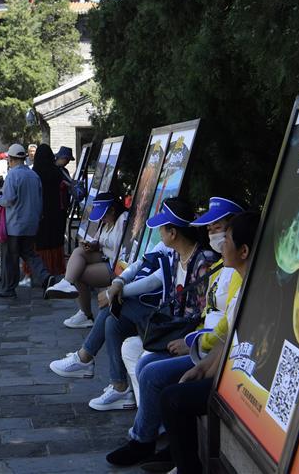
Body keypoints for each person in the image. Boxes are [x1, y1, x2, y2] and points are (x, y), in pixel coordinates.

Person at [107, 201, 251, 468]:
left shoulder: (218, 266)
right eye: (209, 228)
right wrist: (118, 283)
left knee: (151, 372)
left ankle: (145, 440)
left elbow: (225, 326)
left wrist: (192, 342)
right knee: (136, 352)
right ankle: (152, 435)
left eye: (220, 230)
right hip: (199, 341)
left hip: (205, 345)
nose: (213, 235)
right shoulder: (217, 264)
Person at [49, 198, 212, 411]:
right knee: (112, 323)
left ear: (173, 233)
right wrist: (117, 283)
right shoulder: (175, 253)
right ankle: (118, 386)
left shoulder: (202, 262)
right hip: (170, 319)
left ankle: (86, 359)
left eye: (162, 228)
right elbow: (147, 269)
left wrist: (115, 292)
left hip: (181, 328)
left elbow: (202, 311)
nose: (159, 233)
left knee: (114, 306)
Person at [158, 211, 262, 474]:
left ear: (244, 250)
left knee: (172, 397)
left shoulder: (258, 290)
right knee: (173, 391)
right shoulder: (239, 282)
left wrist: (210, 373)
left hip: (245, 385)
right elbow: (228, 337)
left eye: (225, 239)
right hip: (220, 366)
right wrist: (202, 368)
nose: (219, 245)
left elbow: (239, 345)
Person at [45, 192, 129, 328]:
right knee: (79, 251)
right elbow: (102, 241)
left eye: (104, 215)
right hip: (105, 256)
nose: (102, 219)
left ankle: (85, 314)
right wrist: (93, 245)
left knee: (80, 275)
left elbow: (121, 245)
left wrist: (99, 246)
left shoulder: (123, 220)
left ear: (113, 210)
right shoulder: (105, 224)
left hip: (117, 263)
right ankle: (67, 282)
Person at [0, 143, 51, 298]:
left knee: (11, 257)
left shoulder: (13, 175)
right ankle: (46, 276)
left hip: (15, 224)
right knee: (29, 253)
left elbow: (9, 199)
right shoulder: (33, 175)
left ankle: (9, 288)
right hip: (32, 223)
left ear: (11, 159)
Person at [31, 144, 68, 282]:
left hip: (40, 212)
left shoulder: (34, 173)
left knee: (41, 240)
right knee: (55, 239)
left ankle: (42, 270)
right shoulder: (57, 172)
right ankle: (55, 267)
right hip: (56, 212)